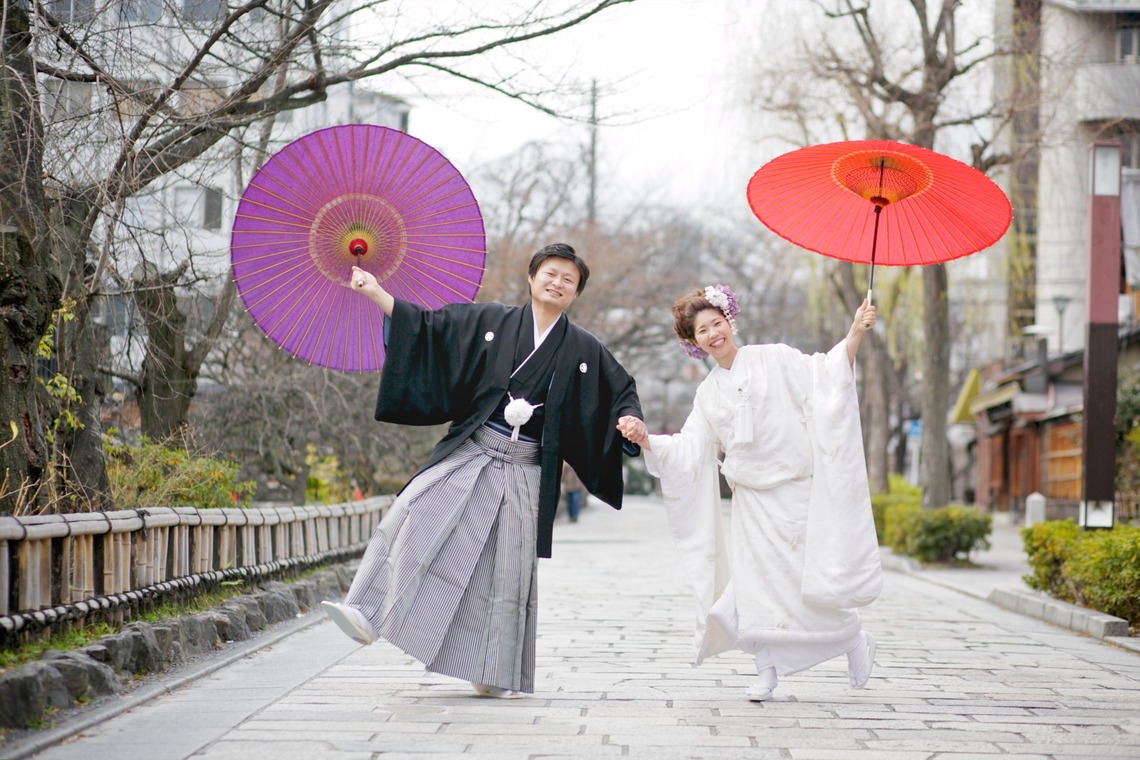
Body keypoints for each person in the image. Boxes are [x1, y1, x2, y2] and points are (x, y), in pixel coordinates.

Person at [322, 243, 647, 699]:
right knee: (412, 510)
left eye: (568, 280)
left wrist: (630, 421)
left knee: (507, 569)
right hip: (474, 448)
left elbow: (620, 390)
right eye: (550, 273)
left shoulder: (583, 348)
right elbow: (429, 329)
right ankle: (366, 612)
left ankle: (493, 668)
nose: (557, 283)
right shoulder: (490, 320)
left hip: (526, 467)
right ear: (531, 278)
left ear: (576, 292)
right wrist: (376, 292)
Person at [617, 285, 881, 702]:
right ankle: (766, 669)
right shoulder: (707, 393)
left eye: (716, 323)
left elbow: (826, 374)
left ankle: (852, 638)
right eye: (702, 331)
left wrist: (855, 332)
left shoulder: (773, 357)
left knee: (805, 582)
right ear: (693, 343)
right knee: (756, 588)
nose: (713, 334)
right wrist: (646, 438)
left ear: (730, 321)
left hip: (795, 489)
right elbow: (690, 448)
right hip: (751, 502)